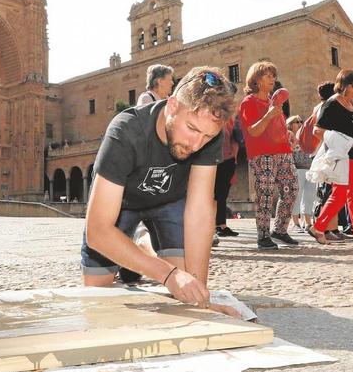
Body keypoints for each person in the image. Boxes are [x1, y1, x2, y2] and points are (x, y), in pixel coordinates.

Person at [81, 66, 236, 310]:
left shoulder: (208, 133)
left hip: (170, 200)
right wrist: (169, 274)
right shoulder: (126, 130)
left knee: (185, 285)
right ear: (172, 105)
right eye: (192, 129)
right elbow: (98, 231)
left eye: (206, 136)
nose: (197, 144)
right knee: (97, 290)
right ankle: (141, 242)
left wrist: (198, 297)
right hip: (124, 203)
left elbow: (199, 210)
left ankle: (144, 244)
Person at [309, 69, 353, 246]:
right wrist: (341, 142)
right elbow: (317, 130)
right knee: (347, 194)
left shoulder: (350, 103)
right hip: (345, 158)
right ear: (344, 85)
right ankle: (325, 228)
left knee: (352, 194)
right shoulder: (332, 103)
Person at [238, 61, 299, 250]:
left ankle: (280, 230)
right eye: (268, 75)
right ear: (256, 80)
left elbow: (274, 129)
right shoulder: (249, 102)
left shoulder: (274, 102)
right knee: (265, 195)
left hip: (283, 153)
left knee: (292, 189)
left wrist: (287, 134)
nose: (273, 79)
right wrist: (269, 116)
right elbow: (254, 132)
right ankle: (263, 236)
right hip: (262, 155)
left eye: (274, 75)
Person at [286, 115, 315, 233]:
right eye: (296, 122)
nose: (299, 124)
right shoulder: (288, 135)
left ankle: (308, 222)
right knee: (297, 196)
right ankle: (296, 223)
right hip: (296, 169)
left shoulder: (306, 136)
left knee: (309, 196)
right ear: (290, 124)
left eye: (301, 122)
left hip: (310, 168)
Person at [214, 113, 240, 237]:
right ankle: (214, 225)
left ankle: (221, 225)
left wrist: (234, 158)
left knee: (222, 194)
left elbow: (234, 138)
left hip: (228, 159)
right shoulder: (211, 114)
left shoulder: (229, 117)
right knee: (215, 194)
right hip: (214, 160)